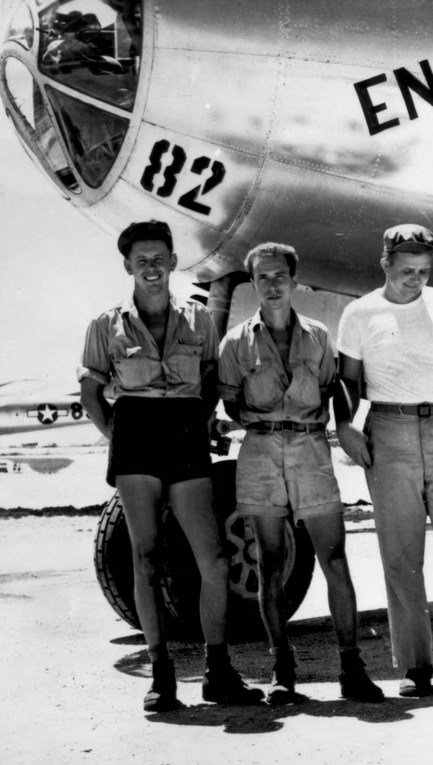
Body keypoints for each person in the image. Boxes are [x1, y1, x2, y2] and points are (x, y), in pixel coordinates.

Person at [79, 220, 261, 712]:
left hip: (184, 431)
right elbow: (92, 391)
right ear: (128, 267)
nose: (152, 268)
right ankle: (161, 675)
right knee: (146, 556)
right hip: (135, 434)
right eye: (142, 260)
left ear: (174, 262)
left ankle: (217, 669)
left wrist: (199, 424)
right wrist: (119, 439)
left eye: (160, 258)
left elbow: (208, 382)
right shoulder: (105, 324)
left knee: (215, 558)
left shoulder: (199, 321)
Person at [217, 243, 384, 704]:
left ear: (294, 282)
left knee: (334, 559)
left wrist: (343, 428)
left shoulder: (319, 337)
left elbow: (335, 391)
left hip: (311, 449)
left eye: (279, 277)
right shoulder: (234, 343)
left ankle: (351, 667)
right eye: (262, 278)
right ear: (253, 284)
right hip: (261, 451)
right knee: (271, 563)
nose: (271, 286)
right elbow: (231, 399)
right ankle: (283, 672)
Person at [334, 224, 433, 698]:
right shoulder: (359, 313)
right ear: (384, 263)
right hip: (390, 435)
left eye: (424, 271)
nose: (416, 280)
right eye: (406, 271)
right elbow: (347, 382)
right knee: (401, 556)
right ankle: (415, 667)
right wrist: (345, 428)